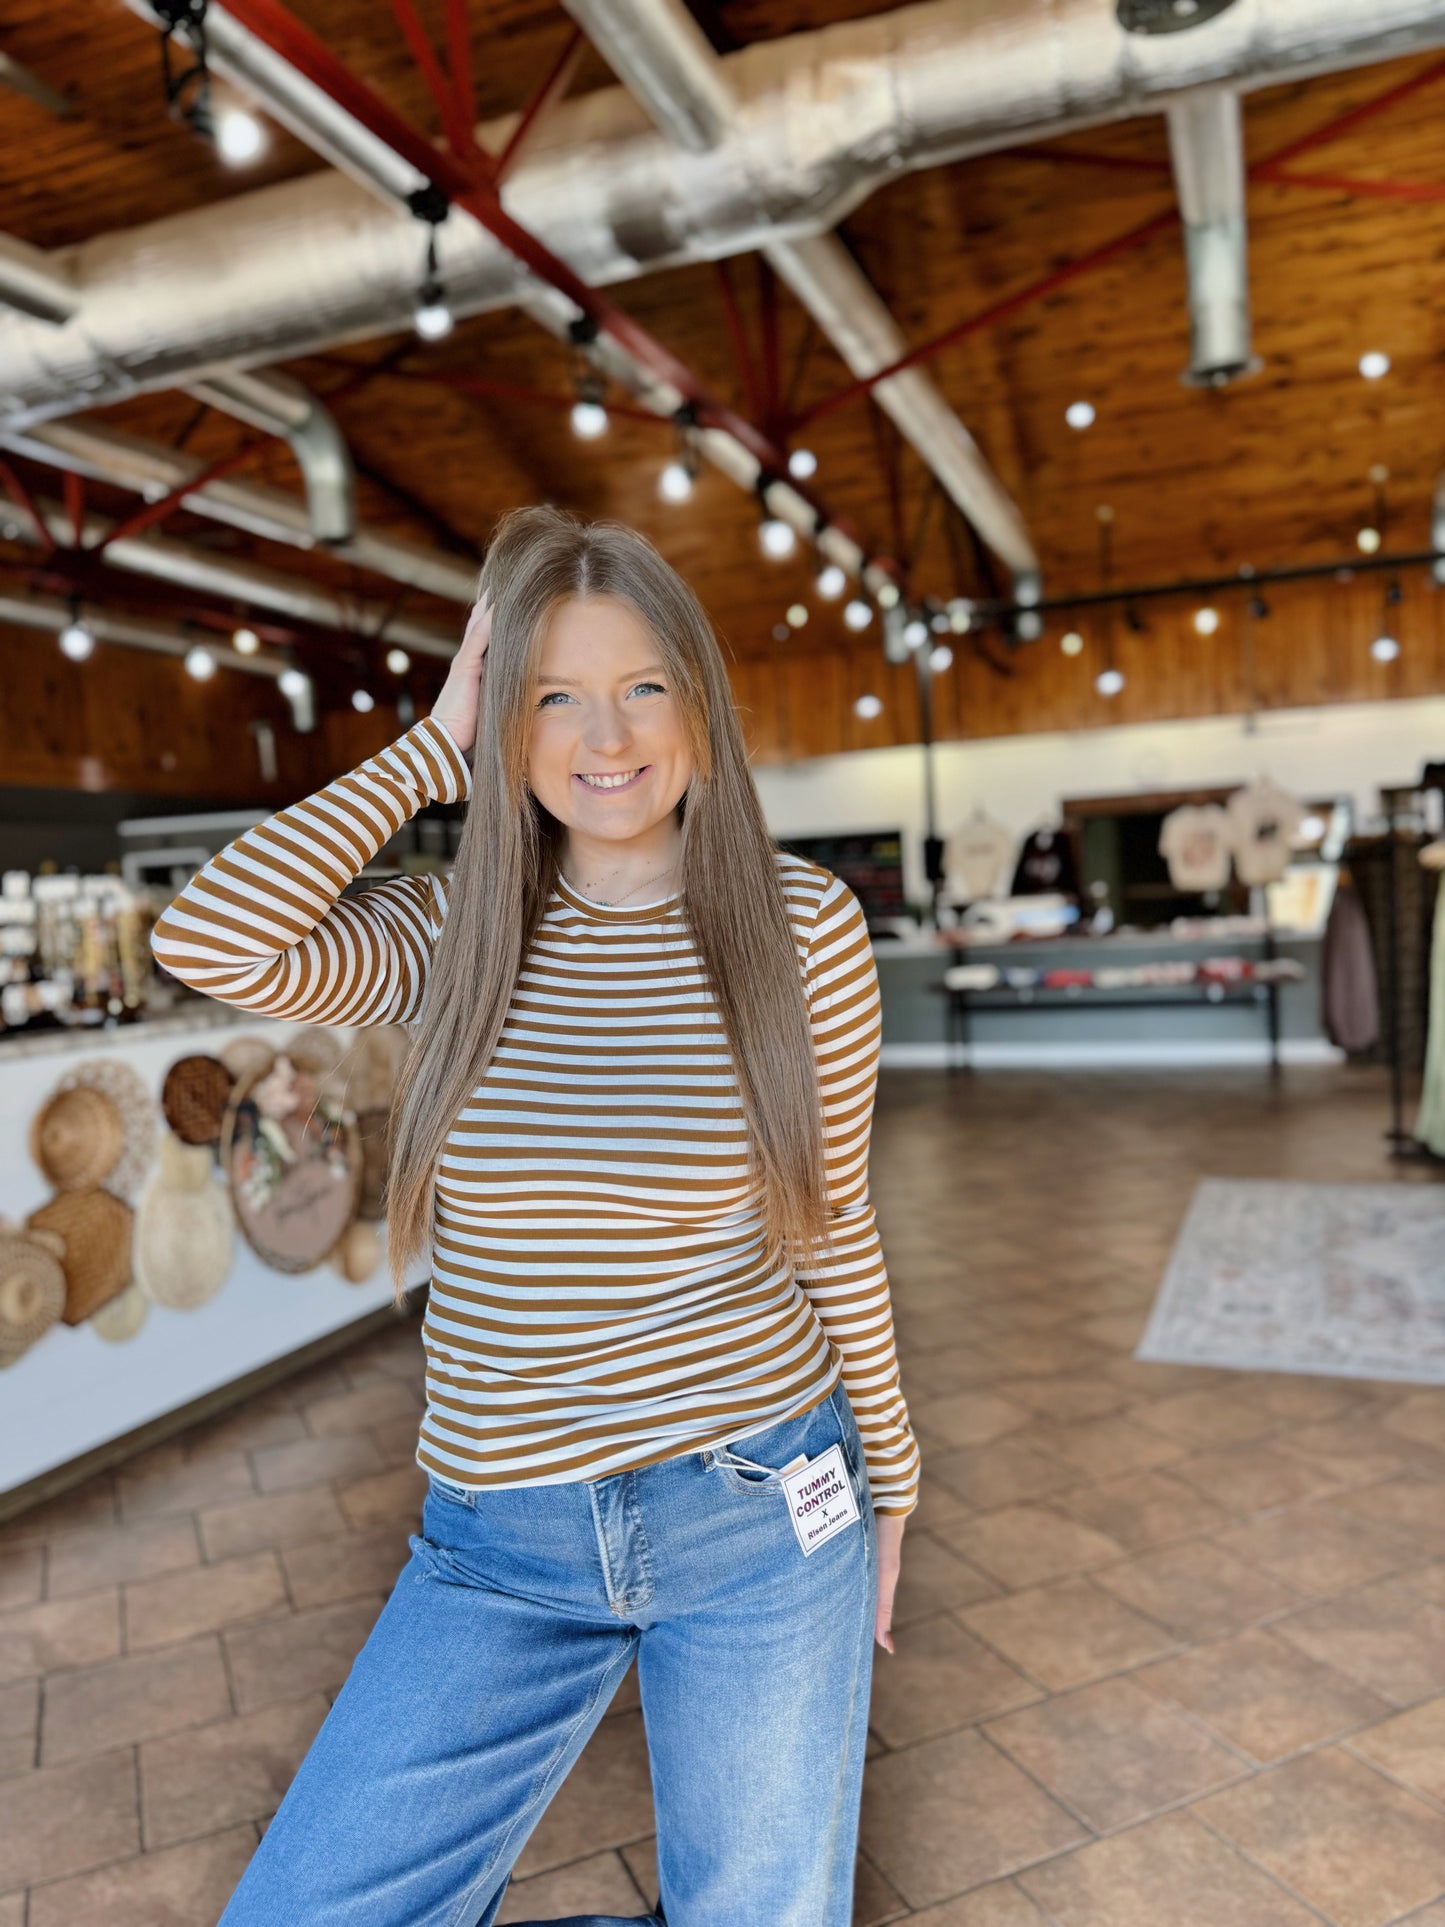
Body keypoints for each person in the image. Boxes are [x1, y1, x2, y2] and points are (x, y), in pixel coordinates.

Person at [151, 505, 920, 1927]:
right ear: (505, 720)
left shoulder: (800, 925)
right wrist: (437, 739)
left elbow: (832, 1225)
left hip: (757, 1495)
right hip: (501, 1527)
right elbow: (206, 937)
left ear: (697, 701)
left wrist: (894, 1477)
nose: (605, 736)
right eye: (553, 695)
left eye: (642, 685)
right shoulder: (450, 932)